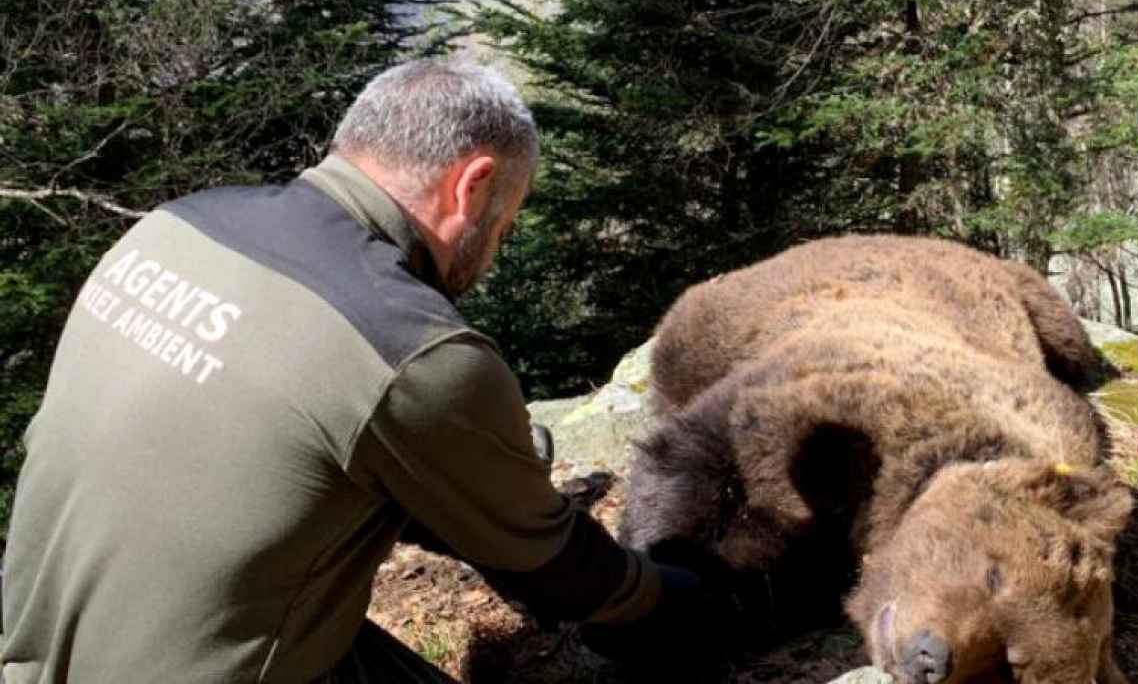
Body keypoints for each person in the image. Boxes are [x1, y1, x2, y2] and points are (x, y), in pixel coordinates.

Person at [1, 59, 703, 682]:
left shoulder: (173, 225)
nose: (496, 248)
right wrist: (696, 597)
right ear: (473, 186)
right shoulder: (408, 347)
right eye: (506, 224)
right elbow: (558, 574)